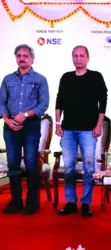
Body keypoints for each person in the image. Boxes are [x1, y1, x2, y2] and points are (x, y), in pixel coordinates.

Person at [55, 45, 108, 218]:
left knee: (89, 168)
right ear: (72, 58)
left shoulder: (96, 77)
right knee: (69, 167)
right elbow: (59, 102)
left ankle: (86, 203)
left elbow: (103, 102)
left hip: (88, 131)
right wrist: (57, 123)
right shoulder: (66, 77)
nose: (78, 58)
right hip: (68, 131)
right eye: (75, 56)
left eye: (81, 55)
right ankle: (70, 202)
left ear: (88, 58)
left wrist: (99, 125)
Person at [0, 44, 49, 215]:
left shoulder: (40, 79)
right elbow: (1, 102)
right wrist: (7, 120)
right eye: (19, 55)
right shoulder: (7, 79)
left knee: (30, 163)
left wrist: (25, 115)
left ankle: (32, 200)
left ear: (32, 59)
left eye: (25, 56)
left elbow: (43, 105)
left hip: (30, 127)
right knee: (13, 164)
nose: (22, 58)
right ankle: (15, 201)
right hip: (10, 126)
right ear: (16, 58)